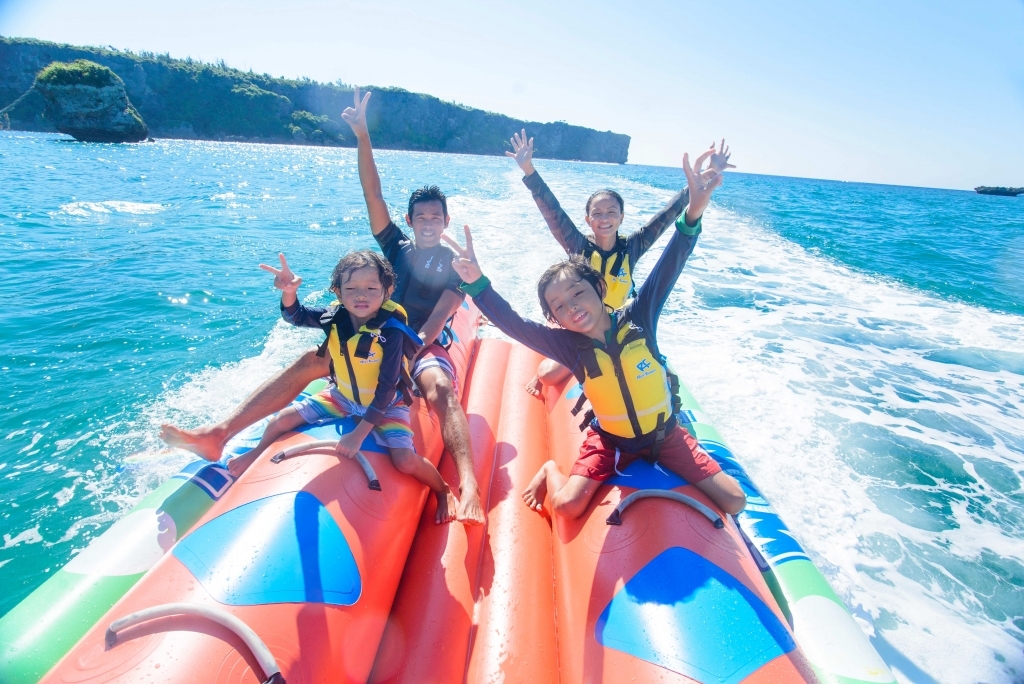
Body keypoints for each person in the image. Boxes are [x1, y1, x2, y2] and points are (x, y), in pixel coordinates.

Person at [159, 87, 486, 525]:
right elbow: (373, 195)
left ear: (446, 221)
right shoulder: (398, 248)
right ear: (410, 221)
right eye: (420, 217)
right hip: (370, 328)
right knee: (308, 360)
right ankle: (219, 433)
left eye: (436, 218)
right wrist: (363, 136)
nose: (428, 224)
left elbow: (438, 318)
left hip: (419, 341)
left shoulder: (455, 264)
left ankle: (468, 483)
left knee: (439, 388)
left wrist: (404, 354)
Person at [444, 149, 746, 520]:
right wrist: (477, 285)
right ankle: (549, 471)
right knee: (567, 506)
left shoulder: (640, 317)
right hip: (612, 440)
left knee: (734, 500)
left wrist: (694, 211)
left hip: (665, 436)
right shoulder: (568, 345)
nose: (571, 306)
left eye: (578, 293)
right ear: (554, 318)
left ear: (600, 289)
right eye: (558, 306)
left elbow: (670, 264)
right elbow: (514, 325)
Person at [226, 250, 459, 523]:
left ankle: (442, 490)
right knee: (281, 420)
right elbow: (297, 316)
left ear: (388, 290)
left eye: (372, 288)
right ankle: (256, 453)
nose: (361, 295)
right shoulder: (336, 317)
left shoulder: (391, 332)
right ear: (338, 292)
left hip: (385, 405)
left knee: (405, 461)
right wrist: (289, 292)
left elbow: (386, 390)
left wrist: (359, 434)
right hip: (343, 395)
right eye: (351, 288)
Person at [506, 130, 733, 397]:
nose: (605, 218)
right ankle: (546, 364)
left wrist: (701, 180)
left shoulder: (633, 246)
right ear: (588, 219)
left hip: (621, 322)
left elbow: (667, 215)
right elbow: (552, 212)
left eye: (611, 212)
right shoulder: (578, 247)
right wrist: (529, 170)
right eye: (597, 213)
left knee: (659, 372)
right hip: (584, 324)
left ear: (622, 217)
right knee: (548, 375)